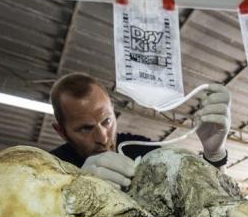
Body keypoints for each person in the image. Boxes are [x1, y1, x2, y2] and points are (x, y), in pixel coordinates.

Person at [49, 73, 231, 189]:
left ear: (113, 109)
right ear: (62, 132)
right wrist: (76, 188)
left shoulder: (143, 150)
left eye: (107, 121)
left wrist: (214, 155)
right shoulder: (50, 171)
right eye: (85, 129)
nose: (103, 138)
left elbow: (206, 196)